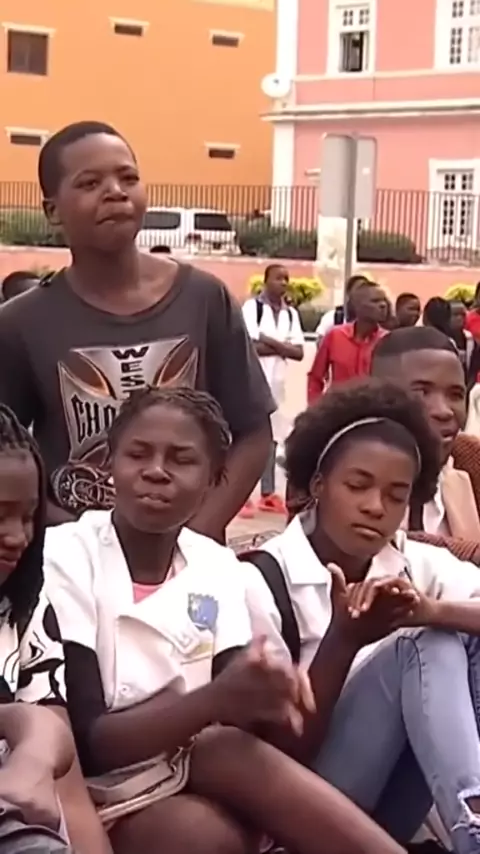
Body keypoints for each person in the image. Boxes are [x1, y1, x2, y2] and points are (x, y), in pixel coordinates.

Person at [43, 386, 405, 854]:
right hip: (94, 790)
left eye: (181, 459)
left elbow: (279, 743)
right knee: (208, 812)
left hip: (193, 774)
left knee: (220, 779)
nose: (156, 470)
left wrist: (339, 640)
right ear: (109, 464)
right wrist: (213, 700)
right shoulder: (66, 554)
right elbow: (89, 743)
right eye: (138, 454)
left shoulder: (217, 567)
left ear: (214, 478)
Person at [0, 121, 274, 542]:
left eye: (128, 178)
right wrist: (82, 544)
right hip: (73, 560)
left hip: (191, 559)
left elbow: (253, 434)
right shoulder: (21, 323)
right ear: (52, 210)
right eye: (90, 183)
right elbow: (9, 455)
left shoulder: (204, 299)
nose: (115, 191)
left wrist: (194, 538)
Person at [242, 378, 480, 854]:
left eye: (396, 495)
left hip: (394, 810)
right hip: (301, 813)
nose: (375, 507)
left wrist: (433, 609)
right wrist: (343, 638)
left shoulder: (414, 562)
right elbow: (276, 754)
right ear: (318, 484)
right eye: (357, 486)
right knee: (420, 643)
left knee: (455, 632)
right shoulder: (259, 579)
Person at [0, 404, 110, 854]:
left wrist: (34, 751)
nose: (17, 536)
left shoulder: (23, 610)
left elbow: (68, 793)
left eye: (29, 516)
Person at [370, 327, 480, 563]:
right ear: (378, 395)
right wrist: (469, 551)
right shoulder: (335, 475)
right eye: (422, 392)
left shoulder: (471, 464)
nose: (444, 411)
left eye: (456, 394)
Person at [241, 264, 304, 517]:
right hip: (251, 380)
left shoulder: (291, 314)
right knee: (246, 435)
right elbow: (248, 345)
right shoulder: (252, 308)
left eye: (286, 278)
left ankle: (267, 493)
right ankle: (243, 495)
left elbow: (298, 352)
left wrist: (267, 339)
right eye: (279, 278)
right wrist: (282, 347)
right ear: (266, 281)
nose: (284, 283)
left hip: (278, 385)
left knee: (272, 437)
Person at [307, 281, 387, 403]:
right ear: (358, 306)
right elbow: (316, 377)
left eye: (384, 300)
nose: (383, 305)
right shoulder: (335, 336)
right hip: (338, 408)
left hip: (373, 409)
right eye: (375, 301)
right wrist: (314, 405)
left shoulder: (387, 340)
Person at [314, 274, 369, 344]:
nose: (361, 294)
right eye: (358, 290)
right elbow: (320, 343)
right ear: (348, 293)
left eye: (364, 291)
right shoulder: (332, 317)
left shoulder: (372, 321)